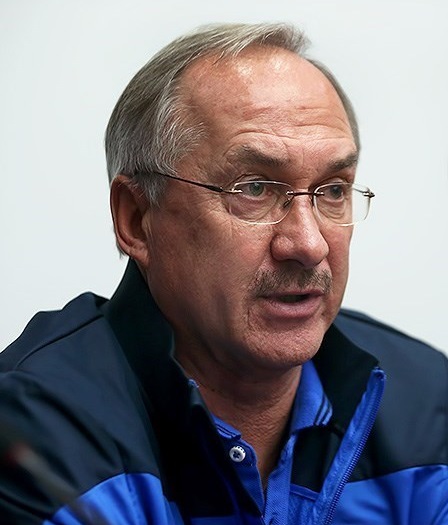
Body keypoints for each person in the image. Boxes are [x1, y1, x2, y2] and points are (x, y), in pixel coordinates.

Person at [0, 22, 446, 525]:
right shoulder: (34, 433)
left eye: (334, 190)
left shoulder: (429, 403)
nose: (307, 243)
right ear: (136, 219)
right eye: (253, 188)